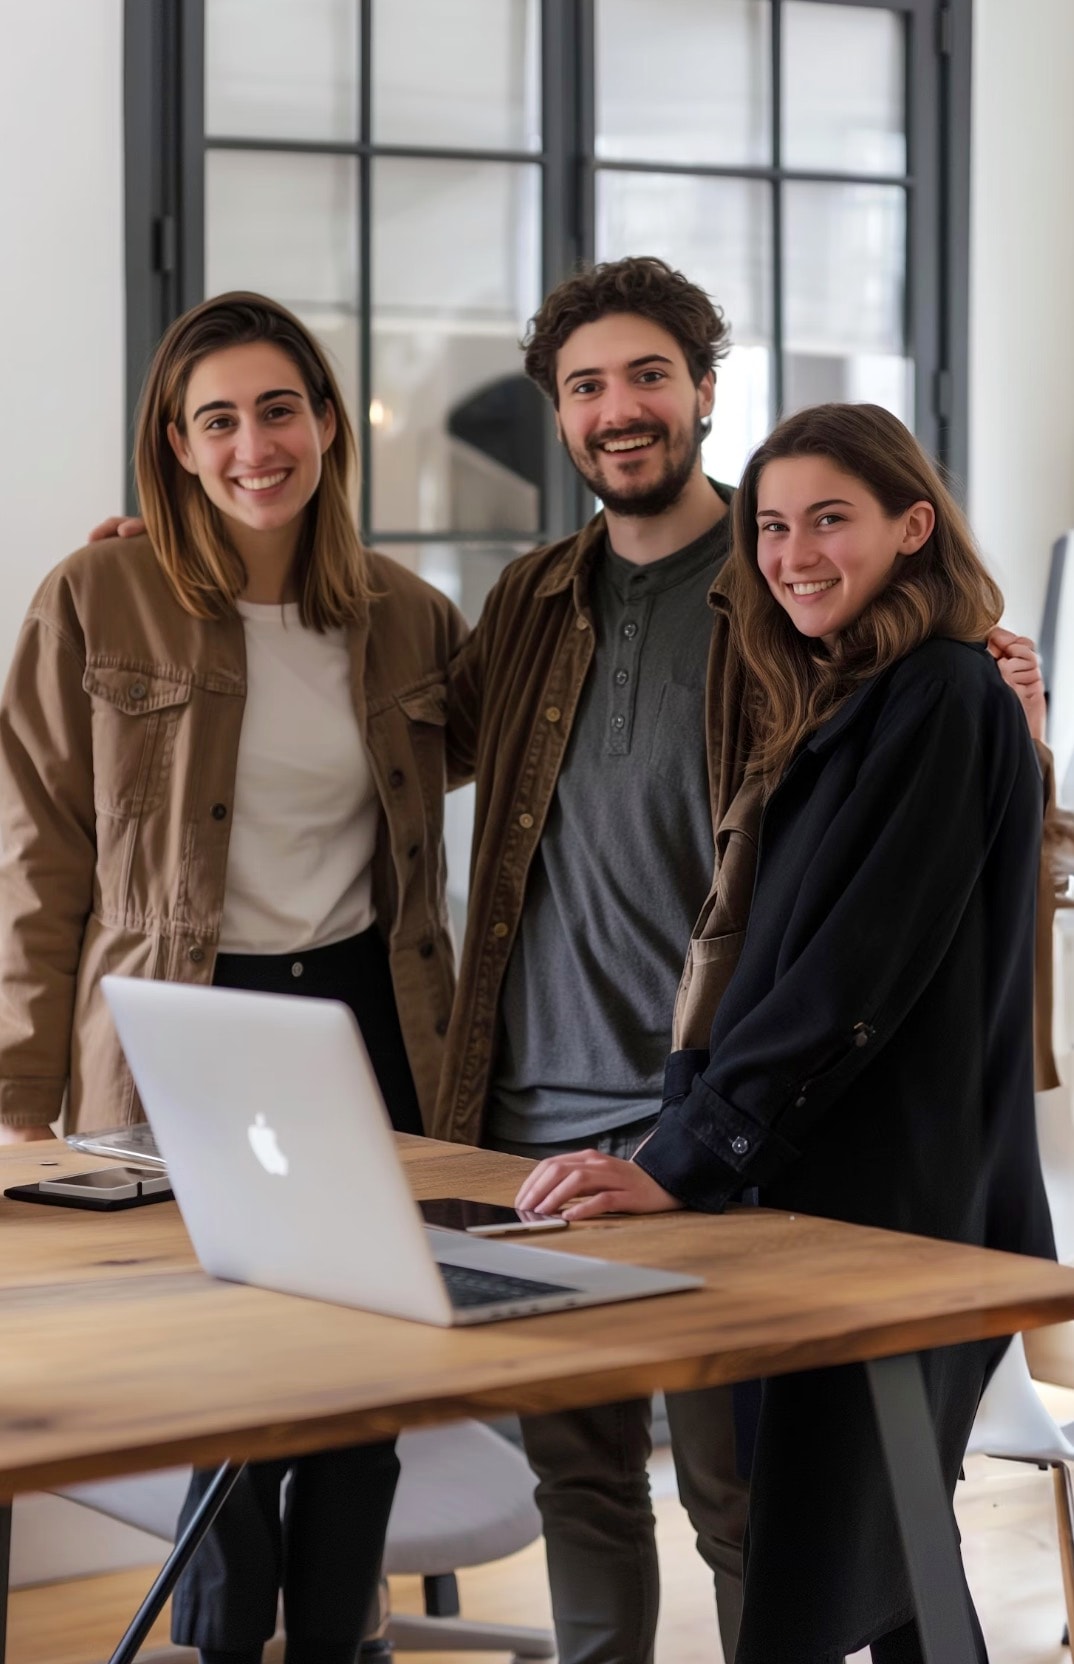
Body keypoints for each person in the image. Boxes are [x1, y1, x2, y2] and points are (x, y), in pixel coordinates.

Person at [89, 259, 1049, 1664]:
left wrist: (1007, 716)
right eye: (585, 385)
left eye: (648, 375)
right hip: (530, 1105)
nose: (619, 410)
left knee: (745, 1503)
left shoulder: (784, 597)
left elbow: (908, 824)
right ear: (557, 411)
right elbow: (406, 740)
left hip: (707, 1120)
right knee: (581, 1487)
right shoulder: (537, 595)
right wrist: (182, 584)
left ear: (704, 390)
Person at [516, 400, 1056, 1663]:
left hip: (898, 1213)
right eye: (770, 526)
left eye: (830, 519)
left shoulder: (941, 695)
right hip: (830, 1194)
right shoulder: (843, 697)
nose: (793, 552)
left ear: (912, 526)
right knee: (888, 1552)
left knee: (834, 1560)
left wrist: (674, 1158)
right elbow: (773, 970)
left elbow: (846, 975)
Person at [1, 291, 467, 1664]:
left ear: (327, 423)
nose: (254, 445)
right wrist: (19, 1100)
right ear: (177, 443)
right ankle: (223, 1644)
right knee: (223, 1378)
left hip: (367, 1027)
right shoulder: (96, 596)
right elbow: (43, 864)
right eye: (219, 421)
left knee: (364, 1373)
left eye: (279, 410)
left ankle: (338, 1640)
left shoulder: (410, 619)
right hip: (180, 1034)